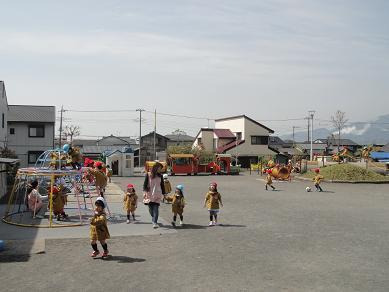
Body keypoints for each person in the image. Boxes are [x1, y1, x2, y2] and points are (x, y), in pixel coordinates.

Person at [143, 162, 166, 229]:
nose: (160, 170)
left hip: (157, 194)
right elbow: (145, 184)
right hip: (149, 194)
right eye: (159, 168)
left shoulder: (160, 176)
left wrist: (164, 194)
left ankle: (154, 222)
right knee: (151, 210)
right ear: (156, 168)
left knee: (156, 209)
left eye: (161, 168)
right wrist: (144, 192)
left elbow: (162, 185)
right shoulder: (148, 174)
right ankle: (154, 217)